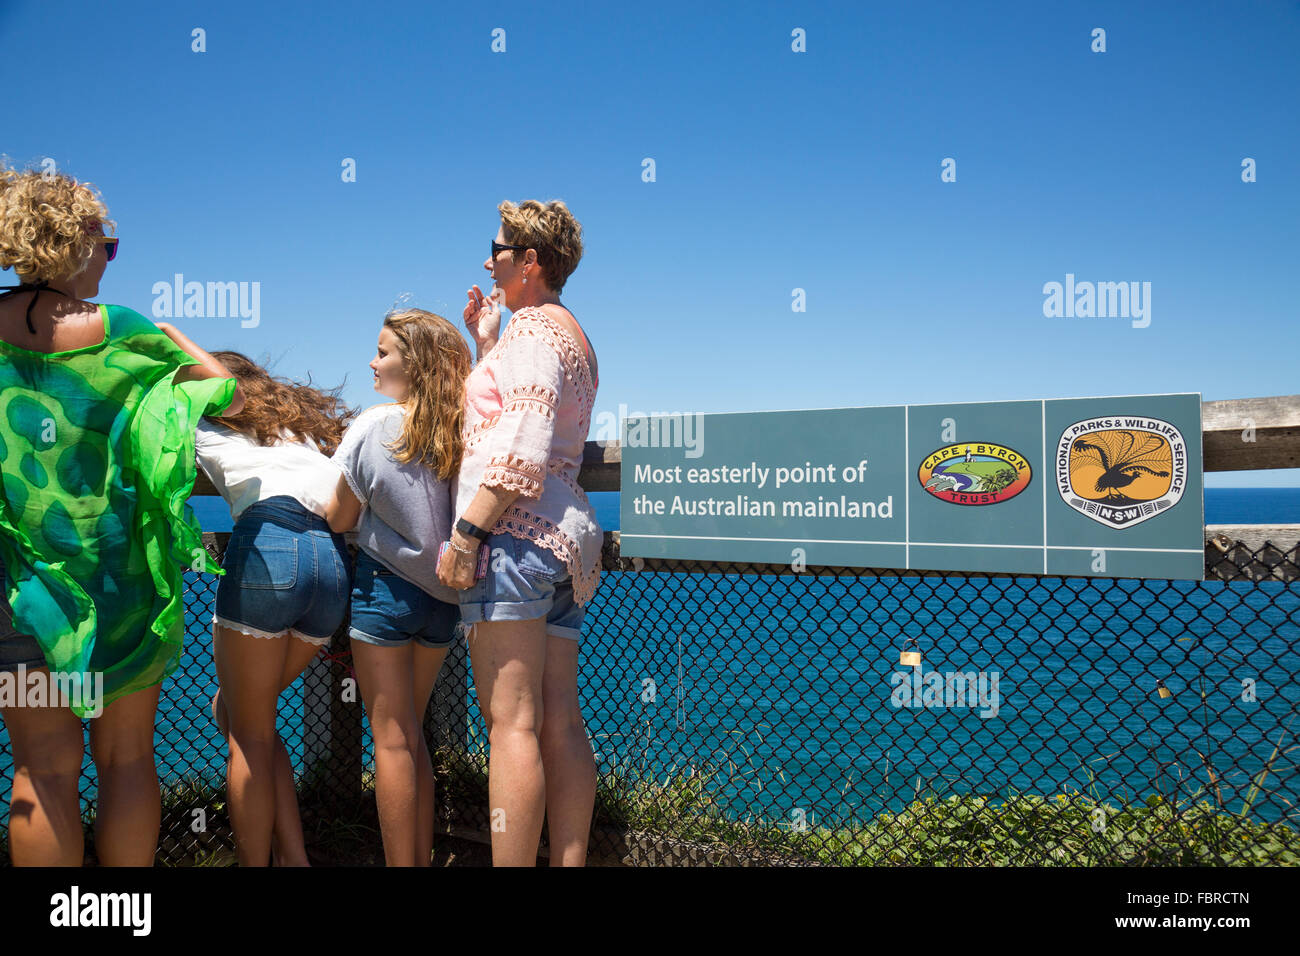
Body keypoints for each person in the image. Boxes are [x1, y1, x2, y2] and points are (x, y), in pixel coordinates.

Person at [0, 164, 243, 865]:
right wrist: (176, 339)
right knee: (129, 761)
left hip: (20, 588)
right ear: (74, 242)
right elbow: (222, 395)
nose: (109, 260)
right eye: (106, 245)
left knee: (41, 773)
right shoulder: (123, 332)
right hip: (120, 588)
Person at [437, 199, 602, 866]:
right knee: (559, 718)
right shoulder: (567, 335)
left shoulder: (534, 330)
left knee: (512, 726)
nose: (487, 260)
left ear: (529, 261)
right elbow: (525, 410)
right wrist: (487, 341)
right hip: (559, 544)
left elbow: (524, 445)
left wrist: (467, 532)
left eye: (498, 250)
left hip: (511, 539)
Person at [195, 351, 355, 866]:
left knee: (247, 731)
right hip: (329, 562)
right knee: (246, 717)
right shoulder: (296, 427)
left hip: (268, 548)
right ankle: (294, 857)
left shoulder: (198, 418)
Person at [325, 308, 472, 866]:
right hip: (441, 600)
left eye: (383, 351)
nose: (373, 360)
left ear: (413, 363)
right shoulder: (459, 431)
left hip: (384, 592)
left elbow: (339, 516)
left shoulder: (374, 425)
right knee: (413, 734)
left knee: (390, 739)